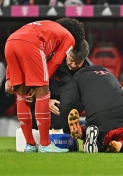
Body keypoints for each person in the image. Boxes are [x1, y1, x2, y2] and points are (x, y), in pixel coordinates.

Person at [4, 18, 85, 153]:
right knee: (43, 93)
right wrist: (40, 83)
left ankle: (30, 145)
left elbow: (19, 41)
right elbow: (56, 62)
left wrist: (9, 77)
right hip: (31, 45)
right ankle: (45, 145)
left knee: (22, 96)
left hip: (10, 42)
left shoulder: (48, 26)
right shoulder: (69, 38)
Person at [59, 65, 123, 153]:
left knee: (97, 135)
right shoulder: (114, 82)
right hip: (118, 121)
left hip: (99, 120)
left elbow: (66, 104)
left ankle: (87, 136)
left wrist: (67, 133)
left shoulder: (82, 81)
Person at [30, 39, 92, 130]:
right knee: (34, 121)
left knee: (59, 124)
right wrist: (46, 101)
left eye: (78, 63)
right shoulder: (53, 60)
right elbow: (36, 81)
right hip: (44, 98)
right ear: (68, 53)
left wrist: (67, 109)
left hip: (66, 107)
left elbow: (85, 99)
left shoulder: (89, 73)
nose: (73, 65)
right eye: (71, 60)